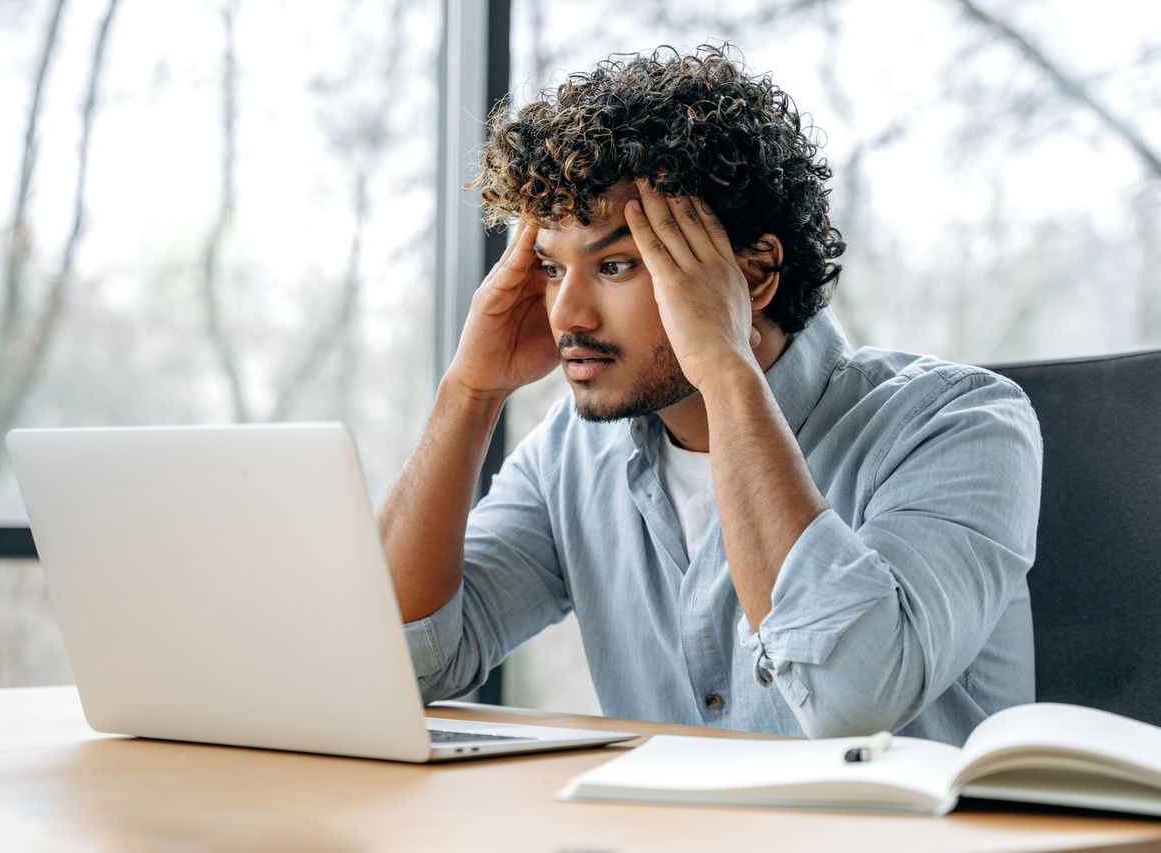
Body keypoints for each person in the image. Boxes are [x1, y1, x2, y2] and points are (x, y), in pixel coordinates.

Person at [377, 44, 1041, 745]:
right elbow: (400, 665)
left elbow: (851, 700)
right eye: (549, 267)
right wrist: (471, 391)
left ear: (752, 279)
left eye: (615, 263)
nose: (566, 313)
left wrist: (725, 371)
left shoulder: (961, 426)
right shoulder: (569, 457)